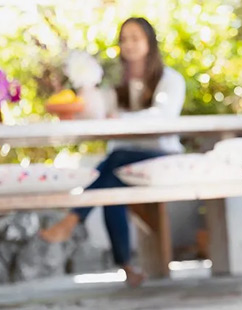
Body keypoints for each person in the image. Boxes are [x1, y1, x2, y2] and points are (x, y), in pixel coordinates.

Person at [40, 17, 186, 287]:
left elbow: (163, 117)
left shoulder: (170, 79)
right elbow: (96, 114)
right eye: (124, 39)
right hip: (122, 159)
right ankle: (128, 267)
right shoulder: (115, 83)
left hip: (161, 153)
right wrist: (82, 93)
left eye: (135, 38)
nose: (128, 44)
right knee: (110, 185)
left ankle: (74, 219)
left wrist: (120, 119)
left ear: (149, 42)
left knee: (112, 164)